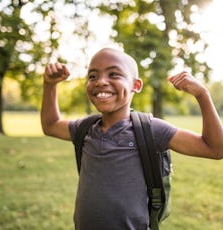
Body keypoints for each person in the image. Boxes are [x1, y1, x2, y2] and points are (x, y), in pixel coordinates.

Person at [41, 47, 223, 230]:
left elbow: (215, 149)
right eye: (92, 76)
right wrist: (49, 85)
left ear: (136, 85)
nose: (101, 82)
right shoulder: (85, 129)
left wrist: (202, 95)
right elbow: (50, 125)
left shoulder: (151, 129)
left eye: (113, 74)